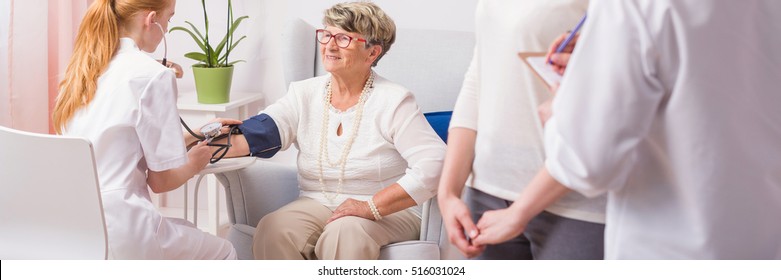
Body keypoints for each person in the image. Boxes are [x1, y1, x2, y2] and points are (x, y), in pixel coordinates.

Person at [472, 0, 781, 259]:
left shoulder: (630, 6)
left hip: (669, 247)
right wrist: (609, 54)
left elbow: (588, 164)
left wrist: (560, 113)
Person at [190, 2, 446, 260]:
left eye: (344, 38)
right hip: (316, 203)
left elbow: (436, 163)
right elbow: (259, 134)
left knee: (345, 231)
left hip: (388, 210)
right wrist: (186, 147)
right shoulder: (303, 94)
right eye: (326, 34)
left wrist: (371, 206)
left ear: (372, 53)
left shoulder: (394, 101)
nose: (330, 45)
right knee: (274, 228)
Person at [53, 0, 236, 259]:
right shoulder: (154, 75)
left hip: (75, 226)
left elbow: (118, 146)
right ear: (151, 20)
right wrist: (196, 161)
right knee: (224, 251)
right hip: (123, 228)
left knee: (188, 231)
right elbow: (160, 182)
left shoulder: (81, 74)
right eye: (169, 19)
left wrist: (191, 136)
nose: (167, 28)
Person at [437, 0, 607, 260]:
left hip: (572, 198)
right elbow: (477, 80)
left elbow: (615, 103)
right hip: (486, 191)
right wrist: (447, 192)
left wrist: (521, 212)